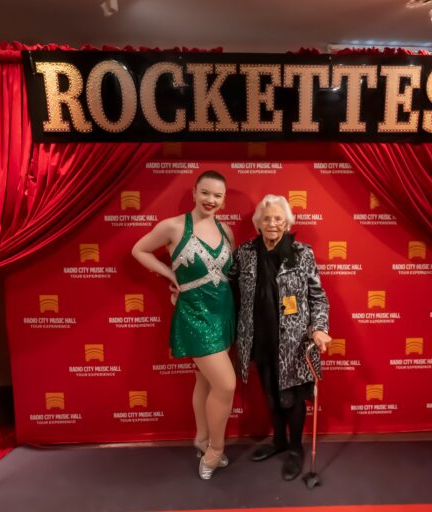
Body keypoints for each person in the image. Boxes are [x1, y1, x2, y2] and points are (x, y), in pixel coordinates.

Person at [131, 170, 236, 480]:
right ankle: (216, 450)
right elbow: (138, 250)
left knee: (205, 382)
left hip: (224, 313)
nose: (211, 200)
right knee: (226, 385)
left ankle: (202, 439)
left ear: (223, 199)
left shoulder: (227, 230)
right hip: (194, 314)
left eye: (218, 196)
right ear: (194, 192)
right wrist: (170, 275)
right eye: (206, 193)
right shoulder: (174, 227)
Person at [231, 194, 332, 481]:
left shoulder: (302, 253)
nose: (272, 223)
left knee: (292, 399)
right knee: (271, 396)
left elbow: (318, 297)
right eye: (267, 218)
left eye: (278, 218)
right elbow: (227, 287)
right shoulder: (245, 253)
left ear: (287, 222)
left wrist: (320, 327)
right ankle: (278, 442)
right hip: (259, 339)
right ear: (258, 224)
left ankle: (296, 449)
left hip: (295, 342)